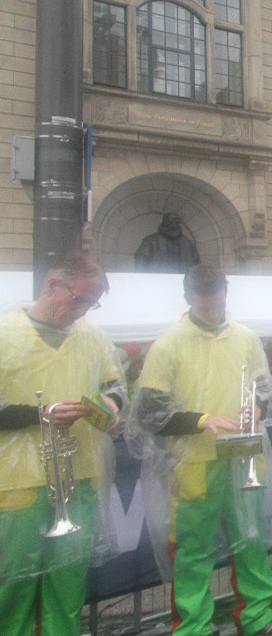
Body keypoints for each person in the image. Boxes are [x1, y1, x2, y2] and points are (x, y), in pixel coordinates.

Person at [128, 265, 272, 636]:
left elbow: (265, 390)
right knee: (192, 551)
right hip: (195, 464)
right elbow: (149, 413)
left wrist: (258, 407)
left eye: (218, 304)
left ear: (226, 294)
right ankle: (193, 628)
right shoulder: (168, 344)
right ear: (188, 299)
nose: (212, 312)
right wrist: (202, 420)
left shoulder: (246, 337)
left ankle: (258, 618)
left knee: (251, 541)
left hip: (244, 455)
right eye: (204, 306)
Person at [0, 255, 125, 636]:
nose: (82, 310)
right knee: (13, 582)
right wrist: (39, 415)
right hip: (17, 481)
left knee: (68, 584)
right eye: (78, 299)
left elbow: (115, 385)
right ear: (53, 285)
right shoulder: (4, 331)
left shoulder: (92, 336)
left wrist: (112, 404)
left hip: (80, 474)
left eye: (91, 304)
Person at [134, 211, 201, 273]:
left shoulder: (189, 245)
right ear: (164, 223)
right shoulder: (150, 241)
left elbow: (197, 267)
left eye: (177, 223)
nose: (174, 226)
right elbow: (140, 267)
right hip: (157, 281)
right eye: (171, 223)